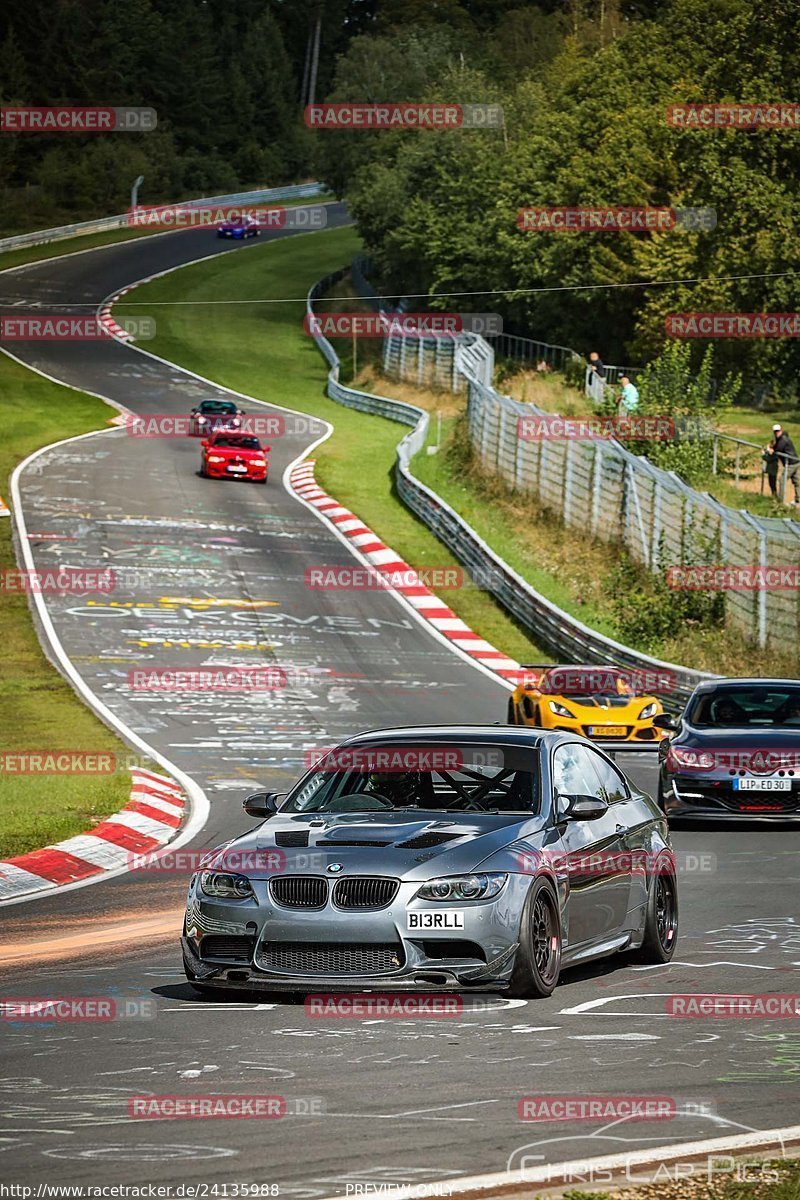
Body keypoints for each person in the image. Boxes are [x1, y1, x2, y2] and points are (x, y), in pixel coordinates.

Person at [768, 424, 800, 504]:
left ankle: (780, 500)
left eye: (778, 431)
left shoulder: (783, 440)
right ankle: (798, 498)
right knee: (796, 481)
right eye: (775, 431)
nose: (777, 433)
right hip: (795, 462)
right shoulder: (781, 438)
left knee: (782, 480)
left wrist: (771, 449)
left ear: (781, 430)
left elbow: (778, 449)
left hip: (791, 463)